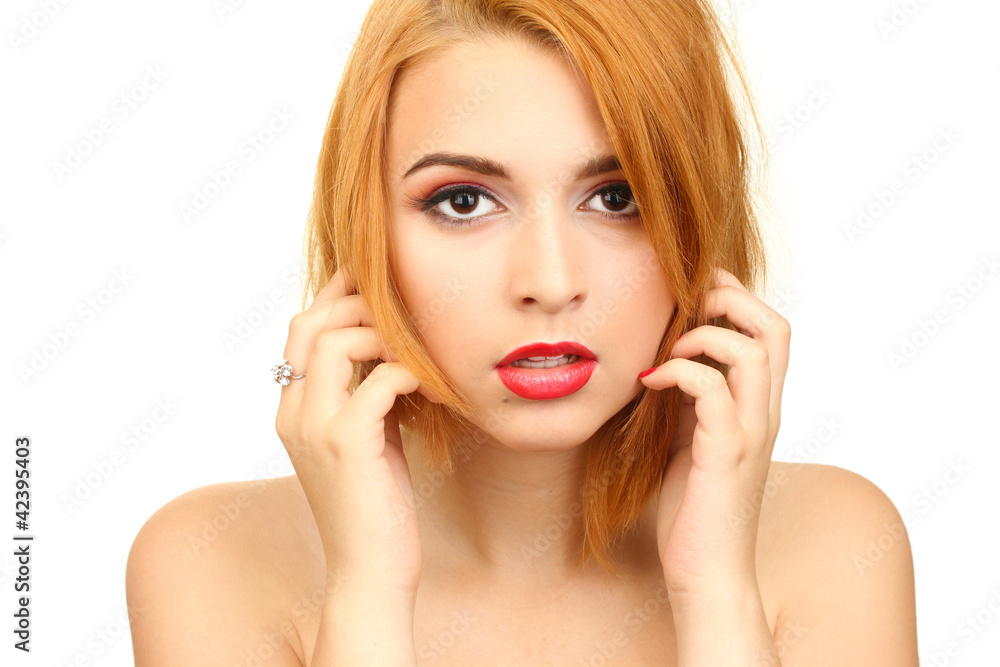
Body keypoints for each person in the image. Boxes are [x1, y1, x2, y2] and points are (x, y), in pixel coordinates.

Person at [126, 0, 919, 664]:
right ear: (368, 230)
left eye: (618, 196)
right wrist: (367, 589)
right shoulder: (212, 560)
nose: (549, 279)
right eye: (464, 201)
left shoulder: (834, 543)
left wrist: (716, 592)